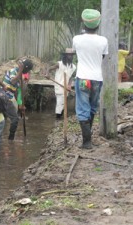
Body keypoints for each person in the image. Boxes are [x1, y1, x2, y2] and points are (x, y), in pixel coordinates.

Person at [72, 9, 108, 149]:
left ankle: (87, 142)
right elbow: (102, 57)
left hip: (82, 78)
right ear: (98, 24)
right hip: (97, 79)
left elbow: (76, 54)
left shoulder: (77, 39)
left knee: (82, 108)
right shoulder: (103, 40)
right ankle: (88, 139)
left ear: (83, 23)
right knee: (92, 108)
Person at [3, 59, 33, 140]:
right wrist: (20, 71)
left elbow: (19, 91)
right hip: (5, 95)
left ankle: (10, 136)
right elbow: (13, 81)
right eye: (27, 70)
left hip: (11, 95)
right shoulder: (13, 71)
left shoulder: (22, 76)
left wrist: (21, 104)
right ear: (24, 68)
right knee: (14, 118)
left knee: (14, 116)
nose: (27, 72)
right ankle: (10, 138)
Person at [46, 48, 76, 119]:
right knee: (60, 102)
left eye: (71, 55)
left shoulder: (73, 67)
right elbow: (49, 68)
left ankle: (60, 118)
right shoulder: (59, 64)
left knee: (63, 102)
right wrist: (47, 74)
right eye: (69, 55)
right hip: (59, 86)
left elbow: (71, 77)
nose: (70, 57)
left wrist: (69, 85)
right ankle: (58, 118)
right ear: (65, 56)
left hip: (66, 87)